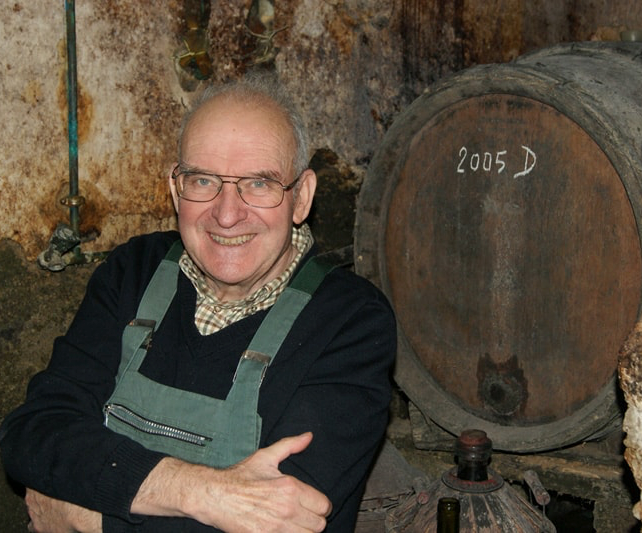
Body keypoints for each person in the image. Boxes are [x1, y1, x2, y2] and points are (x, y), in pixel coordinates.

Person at [0, 72, 396, 532]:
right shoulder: (133, 271)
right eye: (204, 180)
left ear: (301, 196)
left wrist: (84, 514)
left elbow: (280, 521)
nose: (227, 214)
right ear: (175, 187)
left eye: (259, 184)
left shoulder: (351, 323)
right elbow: (33, 434)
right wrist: (203, 494)